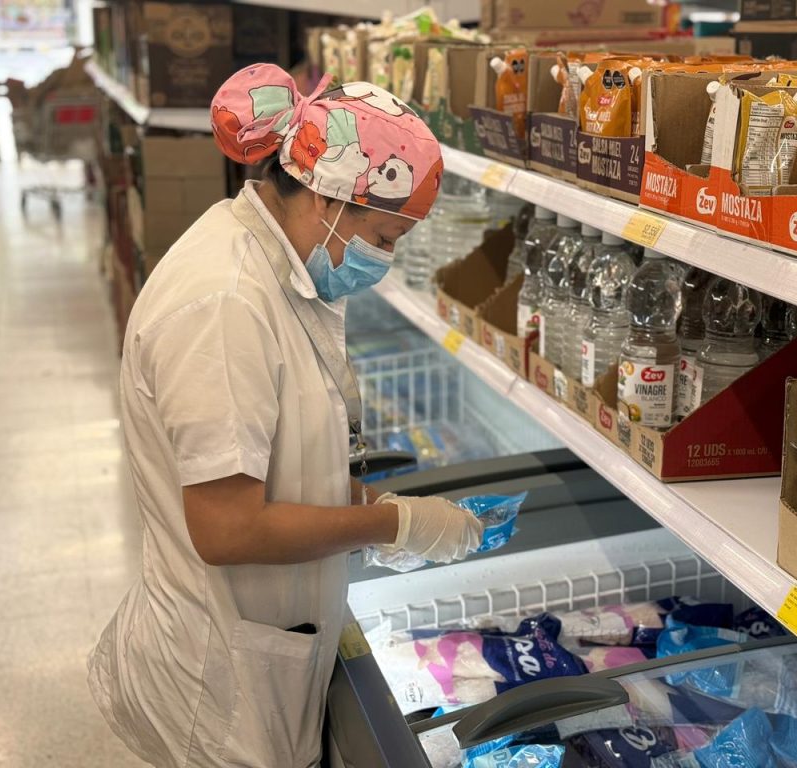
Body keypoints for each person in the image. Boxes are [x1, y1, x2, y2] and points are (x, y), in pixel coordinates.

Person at [88, 64, 484, 768]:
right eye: (385, 237)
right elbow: (228, 526)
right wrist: (390, 523)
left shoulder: (272, 266)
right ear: (328, 197)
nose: (384, 260)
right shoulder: (225, 304)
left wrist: (373, 507)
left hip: (258, 641)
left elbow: (275, 466)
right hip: (219, 682)